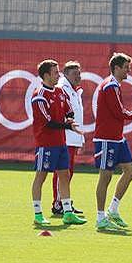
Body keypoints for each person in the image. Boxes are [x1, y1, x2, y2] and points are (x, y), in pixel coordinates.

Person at [30, 59, 86, 226]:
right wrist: (68, 126)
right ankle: (38, 213)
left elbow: (69, 110)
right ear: (46, 75)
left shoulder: (60, 92)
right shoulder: (39, 95)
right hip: (46, 144)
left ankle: (67, 212)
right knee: (41, 177)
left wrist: (70, 119)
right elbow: (47, 123)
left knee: (64, 174)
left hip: (61, 143)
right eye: (55, 73)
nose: (58, 75)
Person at [93, 53, 132, 231]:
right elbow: (119, 112)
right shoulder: (109, 86)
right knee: (105, 176)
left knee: (131, 171)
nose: (129, 70)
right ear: (116, 68)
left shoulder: (114, 85)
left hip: (117, 138)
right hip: (107, 138)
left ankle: (112, 210)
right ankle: (100, 218)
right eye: (126, 67)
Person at [51, 61, 85, 216]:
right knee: (62, 172)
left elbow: (78, 116)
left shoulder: (74, 90)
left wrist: (81, 139)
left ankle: (64, 202)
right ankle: (58, 203)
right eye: (74, 74)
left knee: (68, 172)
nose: (78, 76)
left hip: (72, 138)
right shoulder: (61, 89)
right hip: (65, 137)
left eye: (79, 73)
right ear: (65, 74)